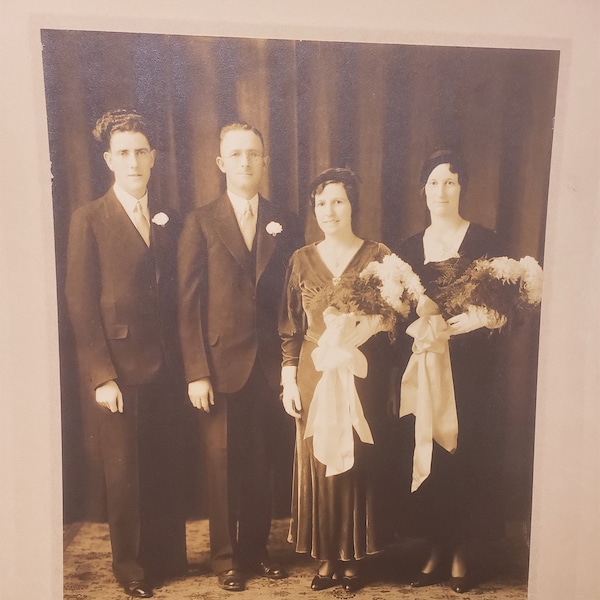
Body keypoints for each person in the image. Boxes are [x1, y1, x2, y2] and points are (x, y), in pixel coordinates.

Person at [65, 109, 188, 598]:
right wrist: (100, 375)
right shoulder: (89, 218)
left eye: (141, 152)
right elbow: (79, 298)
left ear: (153, 158)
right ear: (108, 161)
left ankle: (167, 556)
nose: (133, 161)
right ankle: (130, 566)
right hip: (118, 365)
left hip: (167, 362)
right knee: (123, 468)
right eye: (123, 154)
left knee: (164, 459)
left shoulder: (170, 218)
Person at [177, 122, 300, 592]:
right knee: (223, 461)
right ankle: (226, 557)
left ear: (264, 161)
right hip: (219, 365)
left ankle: (256, 548)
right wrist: (195, 372)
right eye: (236, 154)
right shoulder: (200, 221)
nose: (245, 161)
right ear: (220, 163)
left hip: (270, 366)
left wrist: (291, 365)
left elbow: (296, 297)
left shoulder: (284, 220)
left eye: (253, 153)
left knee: (263, 462)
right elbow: (187, 303)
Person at [279, 168, 395, 593]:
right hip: (313, 369)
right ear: (314, 209)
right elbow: (290, 325)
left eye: (339, 201)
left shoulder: (377, 254)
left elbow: (392, 317)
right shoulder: (300, 259)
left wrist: (367, 329)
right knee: (317, 459)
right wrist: (289, 378)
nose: (330, 210)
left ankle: (354, 559)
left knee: (355, 459)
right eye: (322, 203)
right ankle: (327, 555)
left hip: (360, 369)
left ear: (352, 205)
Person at [397, 150, 506, 594]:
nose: (442, 191)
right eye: (434, 183)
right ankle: (437, 546)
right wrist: (418, 319)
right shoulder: (406, 248)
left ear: (462, 189)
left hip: (471, 366)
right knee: (431, 450)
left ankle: (463, 551)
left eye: (451, 182)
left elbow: (506, 300)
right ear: (423, 190)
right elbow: (395, 307)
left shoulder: (484, 240)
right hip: (426, 362)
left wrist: (484, 317)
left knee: (466, 450)